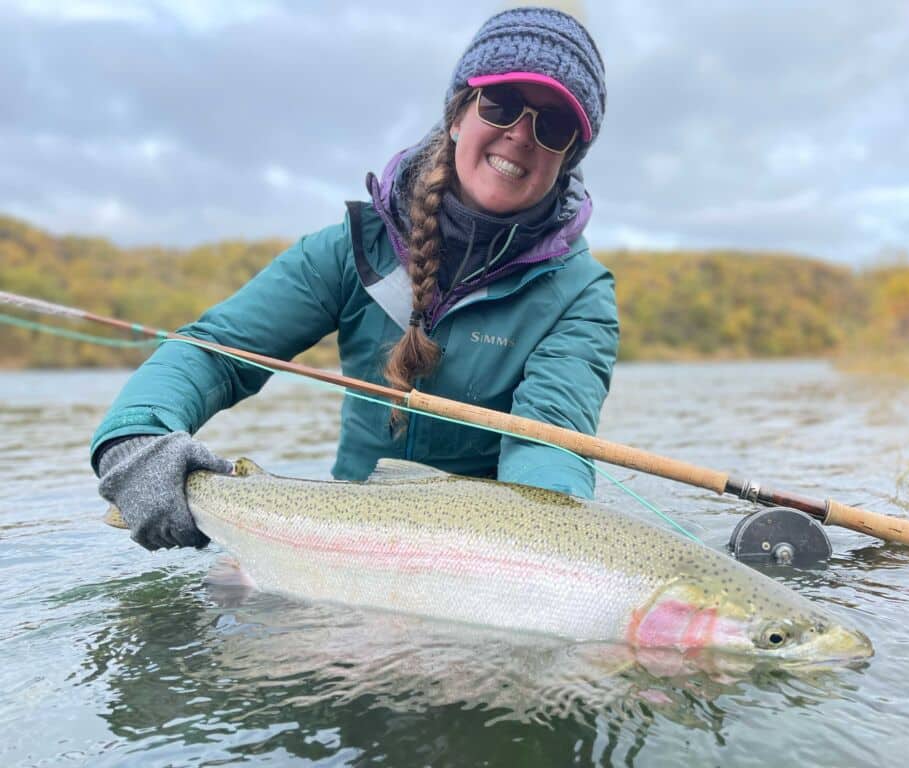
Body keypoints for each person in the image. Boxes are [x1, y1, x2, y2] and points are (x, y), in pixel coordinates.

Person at [91, 6, 618, 551]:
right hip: (334, 548)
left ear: (568, 159)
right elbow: (218, 351)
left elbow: (550, 449)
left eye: (552, 126)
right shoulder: (352, 247)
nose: (519, 134)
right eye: (502, 104)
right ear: (459, 114)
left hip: (479, 557)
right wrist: (137, 434)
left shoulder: (580, 294)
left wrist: (550, 556)